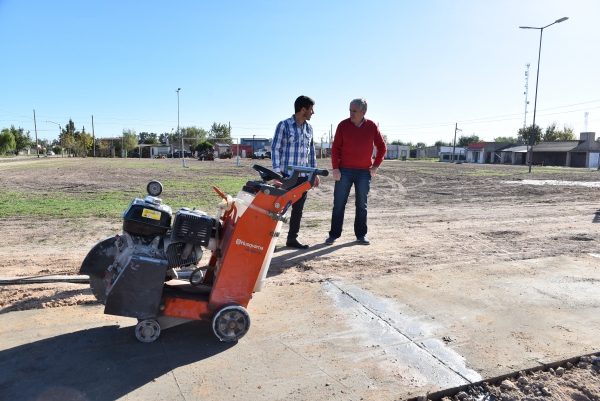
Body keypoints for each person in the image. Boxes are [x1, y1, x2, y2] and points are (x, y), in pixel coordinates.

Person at [325, 98, 387, 246]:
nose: (351, 113)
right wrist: (335, 168)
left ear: (363, 112)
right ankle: (333, 235)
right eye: (350, 110)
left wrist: (376, 165)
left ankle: (361, 235)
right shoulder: (343, 125)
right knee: (339, 204)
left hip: (364, 173)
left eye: (354, 111)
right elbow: (335, 148)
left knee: (361, 205)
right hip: (344, 171)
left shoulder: (372, 126)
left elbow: (382, 147)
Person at [271, 95, 321, 249]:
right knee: (278, 208)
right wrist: (277, 171)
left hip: (304, 177)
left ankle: (292, 239)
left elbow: (311, 153)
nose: (313, 112)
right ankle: (267, 239)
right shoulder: (284, 125)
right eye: (311, 109)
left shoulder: (309, 129)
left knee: (298, 210)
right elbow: (275, 148)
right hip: (286, 176)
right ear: (303, 109)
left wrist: (315, 173)